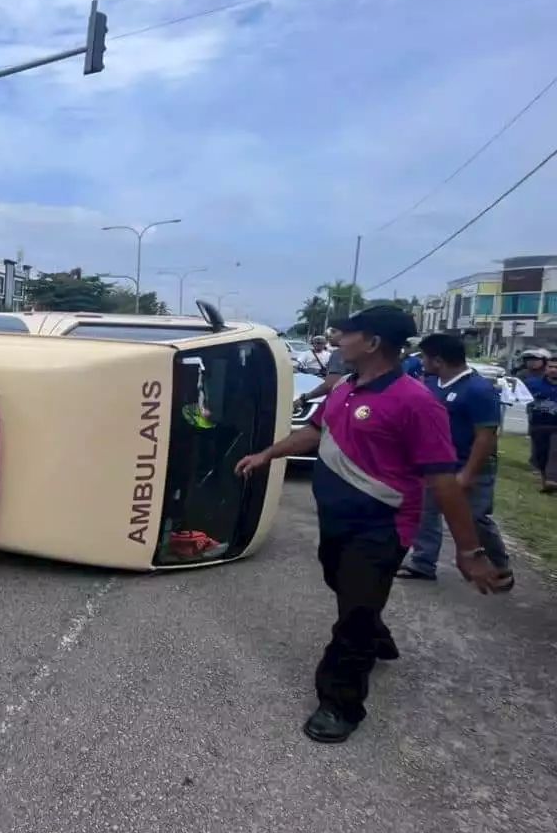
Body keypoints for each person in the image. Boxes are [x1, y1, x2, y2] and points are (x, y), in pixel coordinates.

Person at [235, 305, 498, 744]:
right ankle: (376, 633)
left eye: (347, 333)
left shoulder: (416, 402)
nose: (337, 338)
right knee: (343, 585)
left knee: (353, 611)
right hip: (337, 519)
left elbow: (444, 482)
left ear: (374, 342)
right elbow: (316, 432)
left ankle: (340, 703)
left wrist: (468, 551)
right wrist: (268, 453)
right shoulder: (344, 390)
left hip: (382, 526)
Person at [397, 334, 513, 588]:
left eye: (425, 357)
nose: (422, 362)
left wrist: (469, 473)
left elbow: (485, 437)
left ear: (438, 360)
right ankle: (423, 563)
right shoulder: (431, 383)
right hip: (436, 466)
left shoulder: (478, 389)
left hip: (469, 466)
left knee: (476, 519)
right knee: (425, 513)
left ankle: (500, 567)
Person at [524, 358, 557, 491]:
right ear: (546, 368)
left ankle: (552, 478)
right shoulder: (533, 384)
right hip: (538, 425)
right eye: (551, 367)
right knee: (541, 455)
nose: (554, 370)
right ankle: (545, 481)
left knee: (555, 451)